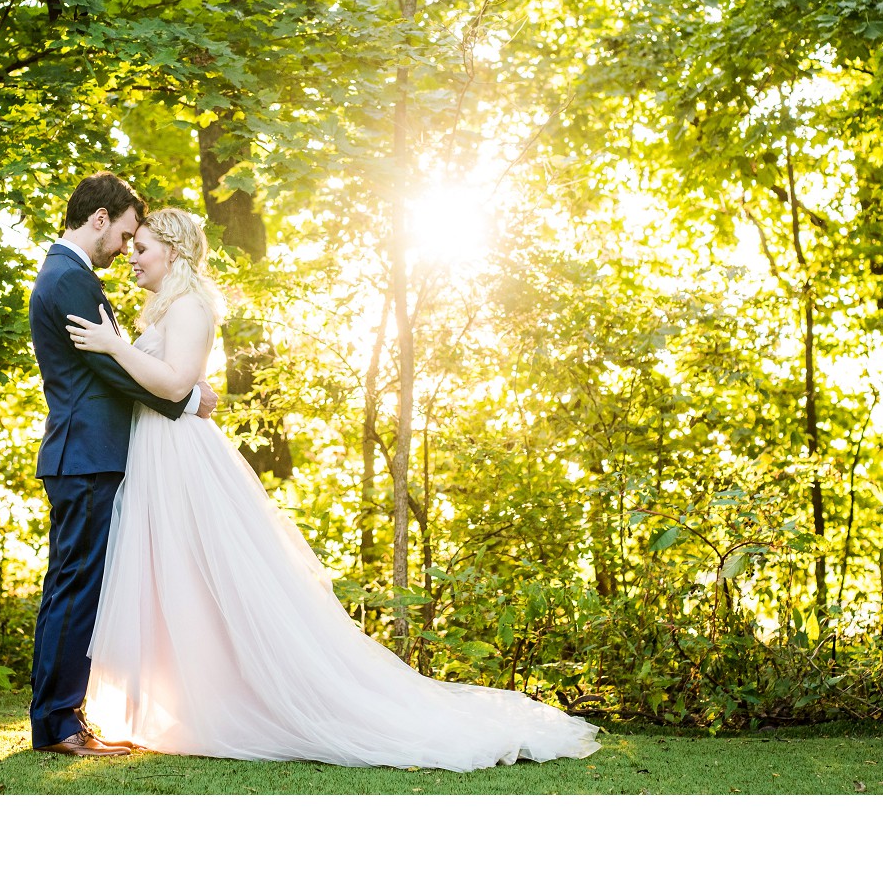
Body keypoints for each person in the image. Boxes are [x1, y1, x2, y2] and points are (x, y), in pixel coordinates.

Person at [64, 205, 601, 771]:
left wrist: (115, 347)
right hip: (158, 452)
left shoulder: (193, 305)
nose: (131, 258)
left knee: (211, 570)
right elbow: (174, 386)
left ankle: (245, 699)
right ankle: (188, 697)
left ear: (172, 250)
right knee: (176, 574)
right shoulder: (164, 308)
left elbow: (175, 383)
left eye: (142, 249)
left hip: (182, 457)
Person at [27, 172, 218, 757]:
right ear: (101, 220)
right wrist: (187, 399)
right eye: (127, 235)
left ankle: (61, 716)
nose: (127, 250)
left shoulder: (69, 276)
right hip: (86, 454)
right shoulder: (69, 280)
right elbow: (112, 368)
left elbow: (115, 359)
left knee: (75, 584)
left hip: (90, 453)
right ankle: (58, 723)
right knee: (75, 586)